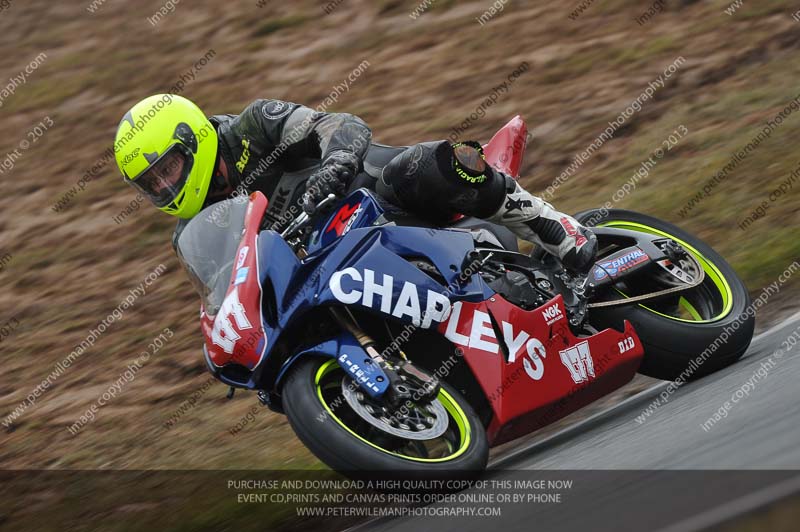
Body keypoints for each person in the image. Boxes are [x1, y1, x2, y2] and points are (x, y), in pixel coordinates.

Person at [113, 94, 597, 272]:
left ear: (192, 142)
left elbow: (338, 124)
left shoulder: (254, 126)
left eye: (167, 167)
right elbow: (231, 288)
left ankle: (553, 227)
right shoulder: (190, 232)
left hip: (379, 197)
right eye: (151, 182)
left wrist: (335, 163)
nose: (164, 184)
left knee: (429, 164)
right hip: (335, 266)